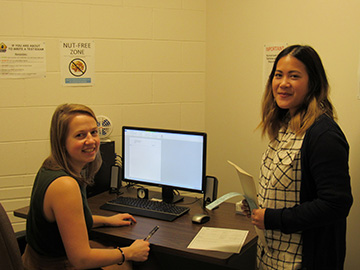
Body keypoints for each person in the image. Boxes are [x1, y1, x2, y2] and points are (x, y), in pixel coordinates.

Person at [242, 45, 353, 270]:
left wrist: (272, 218)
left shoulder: (324, 134)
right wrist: (257, 206)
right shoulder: (285, 126)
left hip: (301, 262)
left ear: (313, 83)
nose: (283, 83)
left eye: (294, 76)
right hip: (270, 258)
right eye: (278, 75)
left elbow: (336, 204)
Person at [22, 104, 150, 270]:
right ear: (62, 142)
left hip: (37, 259)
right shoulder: (65, 185)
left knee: (111, 249)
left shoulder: (51, 165)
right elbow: (81, 259)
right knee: (127, 264)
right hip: (54, 265)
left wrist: (107, 220)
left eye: (94, 132)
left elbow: (70, 220)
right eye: (80, 135)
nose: (91, 140)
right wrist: (129, 252)